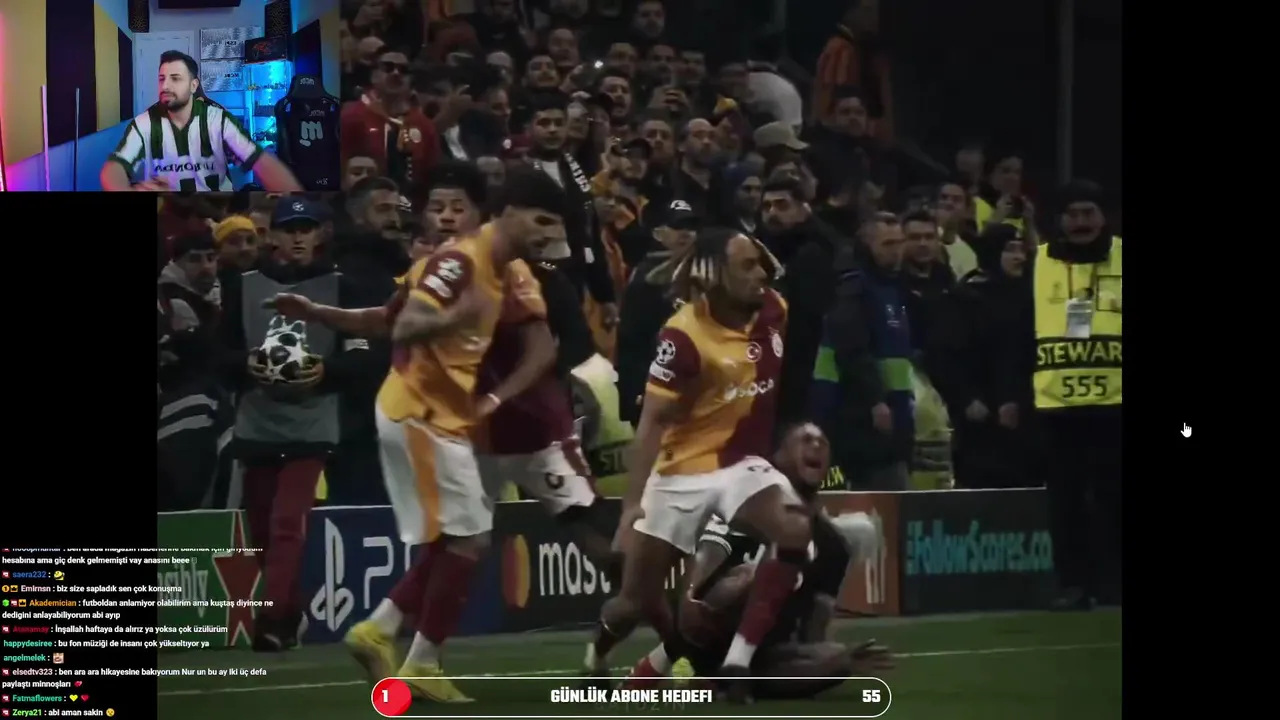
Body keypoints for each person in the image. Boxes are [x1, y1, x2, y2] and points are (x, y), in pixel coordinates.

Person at [268, 166, 571, 702]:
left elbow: (385, 318)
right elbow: (409, 326)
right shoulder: (461, 263)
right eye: (541, 221)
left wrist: (318, 312)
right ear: (506, 213)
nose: (549, 233)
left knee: (457, 539)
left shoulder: (487, 266)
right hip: (420, 411)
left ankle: (381, 630)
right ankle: (416, 657)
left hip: (434, 415)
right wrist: (462, 316)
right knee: (470, 539)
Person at [583, 227, 813, 704]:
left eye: (760, 263)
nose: (761, 274)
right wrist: (630, 508)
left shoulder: (775, 309)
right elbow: (651, 422)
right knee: (633, 603)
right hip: (680, 472)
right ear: (715, 275)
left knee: (795, 533)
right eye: (747, 266)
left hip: (743, 464)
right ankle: (596, 657)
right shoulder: (683, 335)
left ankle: (736, 663)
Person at [623, 423, 892, 695]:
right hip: (711, 629)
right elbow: (705, 565)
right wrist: (692, 599)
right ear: (779, 456)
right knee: (747, 577)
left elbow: (815, 632)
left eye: (823, 442)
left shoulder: (834, 546)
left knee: (835, 657)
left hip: (768, 651)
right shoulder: (751, 505)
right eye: (806, 439)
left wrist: (829, 662)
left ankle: (728, 679)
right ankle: (669, 664)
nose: (817, 445)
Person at [1033, 181, 1122, 609]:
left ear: (1104, 217)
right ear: (1060, 219)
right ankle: (1073, 585)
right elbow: (1018, 331)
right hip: (1057, 406)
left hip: (1116, 404)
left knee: (1114, 498)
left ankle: (1114, 584)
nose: (1081, 222)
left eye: (1089, 213)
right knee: (1065, 503)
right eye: (1073, 214)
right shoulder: (1038, 262)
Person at [812, 212, 913, 490]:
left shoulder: (890, 286)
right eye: (887, 244)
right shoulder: (855, 288)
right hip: (858, 418)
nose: (896, 251)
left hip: (890, 414)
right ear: (867, 245)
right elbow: (851, 348)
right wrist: (874, 399)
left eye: (899, 243)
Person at [102, 51, 301, 192]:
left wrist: (296, 203)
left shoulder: (218, 119)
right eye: (162, 78)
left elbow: (261, 161)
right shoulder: (144, 123)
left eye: (175, 78)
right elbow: (115, 167)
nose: (166, 85)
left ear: (193, 85)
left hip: (216, 213)